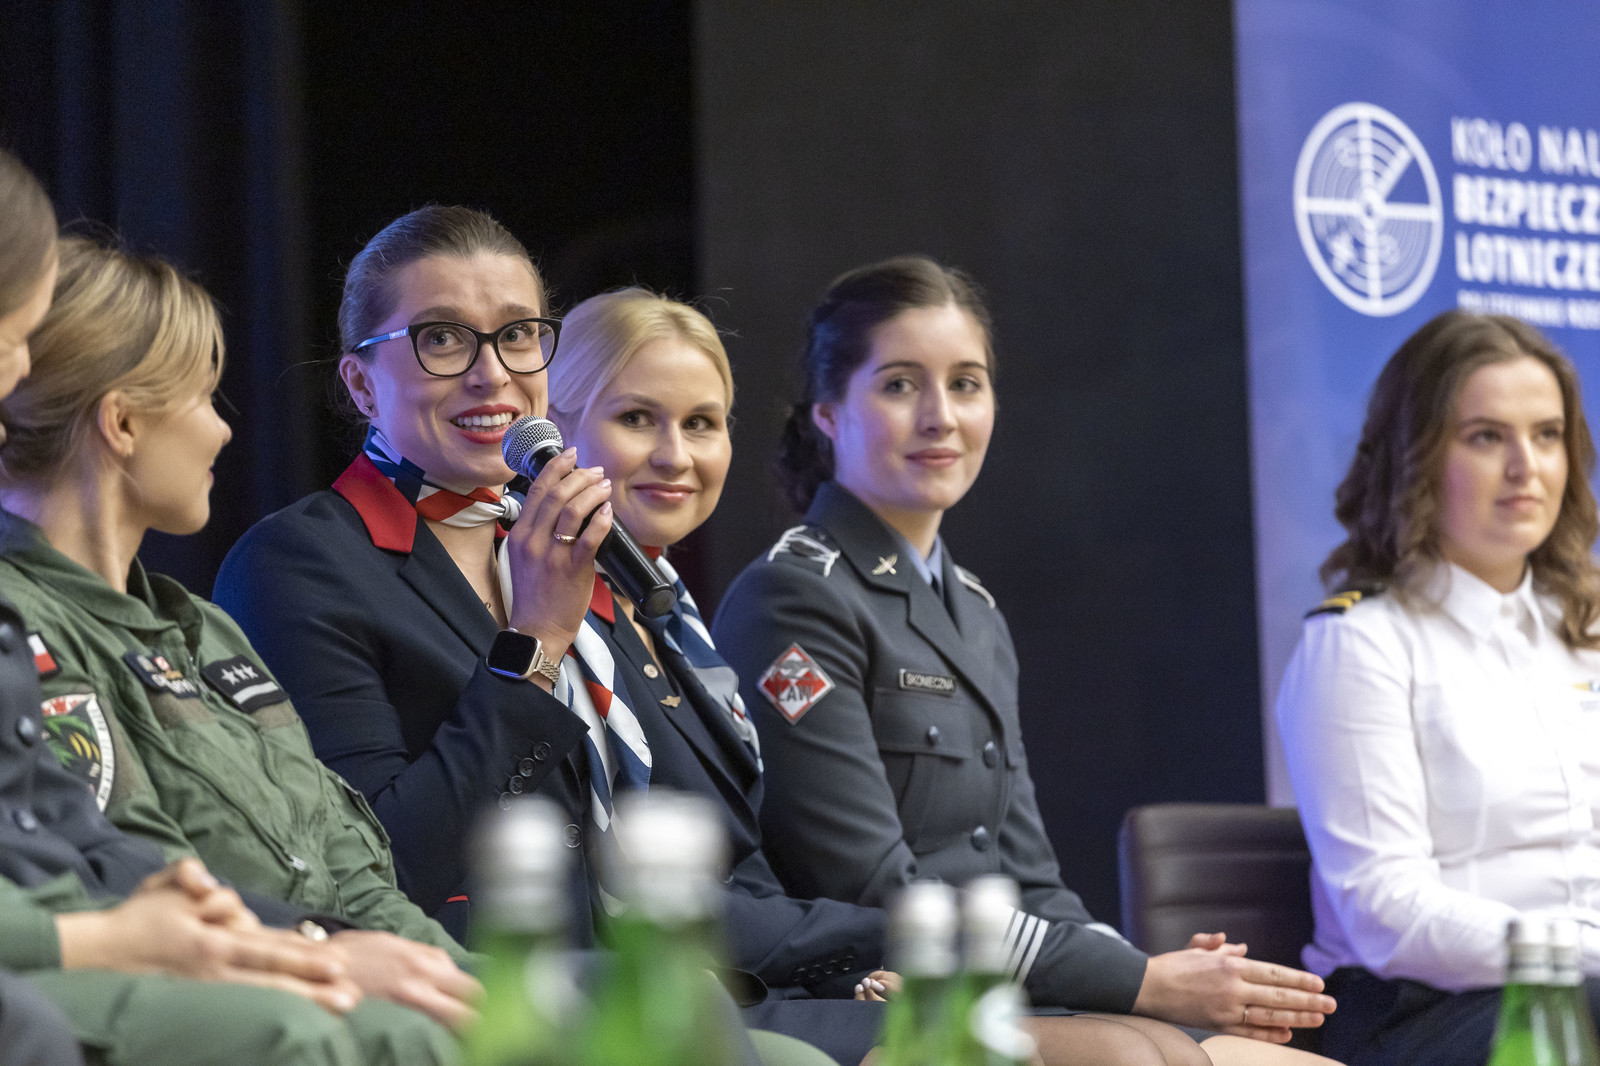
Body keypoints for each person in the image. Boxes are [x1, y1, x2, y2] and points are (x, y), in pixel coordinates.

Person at [214, 206, 847, 1066]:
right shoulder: (299, 563)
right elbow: (383, 864)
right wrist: (537, 638)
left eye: (518, 336)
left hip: (649, 983)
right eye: (442, 339)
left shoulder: (552, 542)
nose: (493, 375)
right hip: (468, 992)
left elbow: (702, 844)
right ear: (361, 385)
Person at [711, 256, 1340, 1066]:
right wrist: (1140, 982)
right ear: (828, 414)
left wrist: (1144, 968)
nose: (941, 417)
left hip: (1005, 982)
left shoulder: (973, 610)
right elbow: (873, 889)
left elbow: (1030, 876)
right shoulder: (793, 596)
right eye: (900, 385)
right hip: (883, 994)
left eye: (966, 384)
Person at [0, 150, 445, 1066]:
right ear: (123, 422)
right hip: (202, 974)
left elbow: (346, 853)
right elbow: (131, 860)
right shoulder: (29, 622)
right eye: (206, 397)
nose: (226, 428)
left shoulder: (206, 630)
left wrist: (438, 968)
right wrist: (321, 947)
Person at [1274, 310, 1600, 1066]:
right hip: (1414, 1012)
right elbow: (1387, 914)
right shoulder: (1360, 644)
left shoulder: (1585, 630)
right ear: (1416, 459)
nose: (1526, 466)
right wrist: (1579, 951)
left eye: (1547, 435)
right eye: (1487, 437)